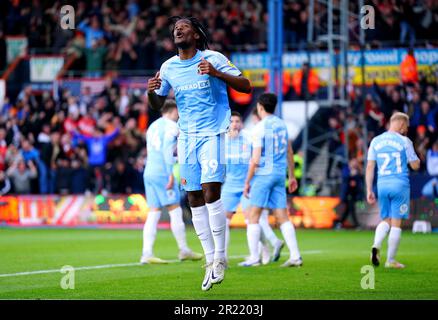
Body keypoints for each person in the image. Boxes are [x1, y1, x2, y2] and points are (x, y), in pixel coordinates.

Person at [146, 16, 251, 291]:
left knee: (210, 190)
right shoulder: (168, 67)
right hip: (187, 137)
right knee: (192, 196)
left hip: (213, 134)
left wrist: (217, 74)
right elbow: (159, 104)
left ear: (196, 35)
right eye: (175, 29)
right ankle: (209, 259)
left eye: (184, 27)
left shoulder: (213, 58)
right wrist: (152, 93)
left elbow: (246, 85)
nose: (178, 30)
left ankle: (219, 257)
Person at [241, 93, 302, 267]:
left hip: (264, 174)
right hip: (279, 174)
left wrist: (247, 182)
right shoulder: (282, 125)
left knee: (253, 216)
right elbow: (289, 151)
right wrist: (291, 176)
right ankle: (295, 256)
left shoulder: (260, 128)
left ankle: (254, 258)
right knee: (282, 216)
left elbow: (256, 159)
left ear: (260, 107)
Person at [141, 99, 202, 264]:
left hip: (149, 172)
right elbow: (167, 148)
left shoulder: (153, 126)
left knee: (153, 212)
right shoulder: (172, 127)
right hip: (162, 172)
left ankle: (146, 253)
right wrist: (170, 173)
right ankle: (183, 250)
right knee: (175, 210)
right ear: (174, 110)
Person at [222, 111, 282, 266]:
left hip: (248, 185)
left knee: (252, 220)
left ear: (241, 123)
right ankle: (223, 257)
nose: (235, 124)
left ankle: (256, 255)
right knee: (223, 221)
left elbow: (259, 158)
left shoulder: (249, 137)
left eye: (237, 121)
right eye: (232, 121)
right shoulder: (222, 140)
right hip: (229, 185)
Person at [366, 112, 420, 269]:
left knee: (386, 220)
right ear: (402, 124)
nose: (406, 130)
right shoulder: (404, 141)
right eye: (406, 127)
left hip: (382, 185)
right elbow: (415, 165)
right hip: (400, 185)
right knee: (396, 223)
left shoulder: (375, 141)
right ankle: (390, 260)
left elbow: (370, 166)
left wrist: (369, 189)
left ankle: (376, 244)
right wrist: (418, 158)